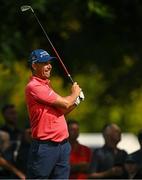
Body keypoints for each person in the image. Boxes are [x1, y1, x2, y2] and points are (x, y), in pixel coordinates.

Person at [25, 49, 83, 179]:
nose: (49, 65)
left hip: (62, 145)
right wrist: (75, 93)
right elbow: (65, 103)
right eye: (45, 63)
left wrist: (76, 101)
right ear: (34, 65)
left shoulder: (46, 86)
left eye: (49, 62)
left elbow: (61, 112)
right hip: (45, 146)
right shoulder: (34, 87)